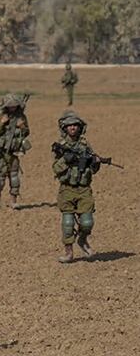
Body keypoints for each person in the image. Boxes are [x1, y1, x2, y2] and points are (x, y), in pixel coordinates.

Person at [52, 111, 101, 263]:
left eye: (75, 125)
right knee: (67, 223)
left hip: (84, 189)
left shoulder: (85, 145)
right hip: (67, 189)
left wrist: (95, 163)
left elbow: (93, 169)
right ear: (64, 128)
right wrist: (66, 160)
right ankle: (68, 252)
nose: (72, 128)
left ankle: (82, 240)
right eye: (69, 125)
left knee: (87, 222)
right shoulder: (60, 146)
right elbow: (55, 168)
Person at [0, 93, 30, 209]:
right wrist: (1, 123)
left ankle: (13, 199)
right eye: (10, 106)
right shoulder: (0, 116)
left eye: (14, 106)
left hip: (14, 151)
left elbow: (26, 132)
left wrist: (22, 127)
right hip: (1, 152)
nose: (13, 108)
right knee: (0, 177)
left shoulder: (21, 117)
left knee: (14, 176)